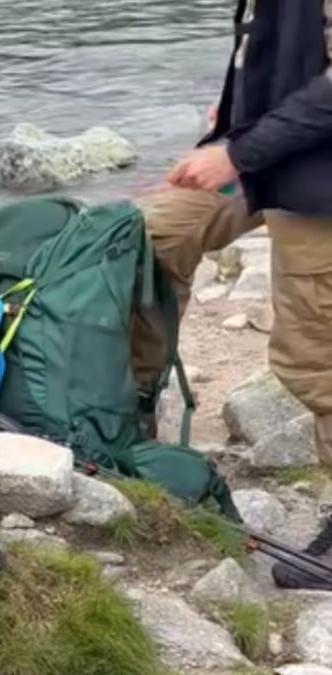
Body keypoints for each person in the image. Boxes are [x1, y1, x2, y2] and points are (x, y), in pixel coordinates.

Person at [142, 0, 332, 468]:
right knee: (152, 235)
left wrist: (238, 154)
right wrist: (235, 115)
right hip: (271, 158)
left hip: (317, 184)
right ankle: (128, 413)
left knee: (313, 363)